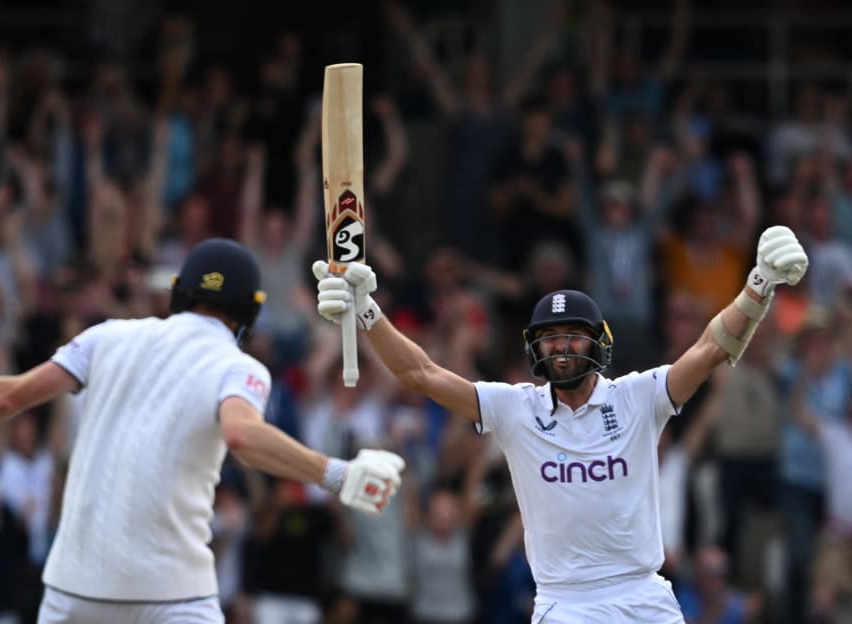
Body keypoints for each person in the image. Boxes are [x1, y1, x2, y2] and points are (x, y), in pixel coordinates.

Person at [0, 237, 405, 624]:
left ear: (177, 292)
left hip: (74, 589)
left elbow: (11, 395)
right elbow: (241, 436)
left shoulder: (108, 337)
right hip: (169, 592)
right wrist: (336, 473)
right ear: (249, 313)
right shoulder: (238, 367)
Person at [313, 225, 808, 623]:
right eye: (550, 338)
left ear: (599, 344)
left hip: (643, 597)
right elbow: (419, 373)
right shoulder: (514, 408)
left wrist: (757, 286)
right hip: (565, 604)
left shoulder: (637, 397)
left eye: (574, 335)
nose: (561, 347)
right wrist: (368, 312)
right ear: (534, 348)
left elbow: (707, 349)